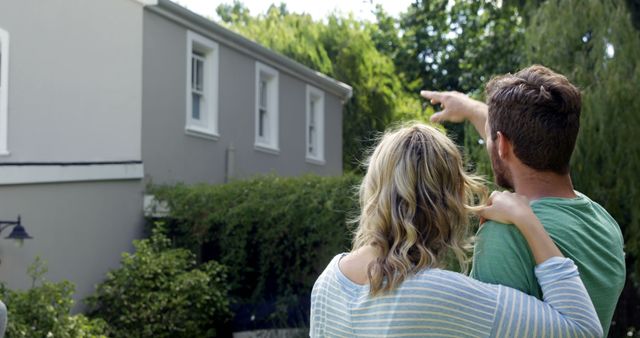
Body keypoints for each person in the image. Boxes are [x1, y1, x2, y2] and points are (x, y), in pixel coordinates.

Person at [310, 123, 602, 337]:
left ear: (373, 189)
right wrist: (526, 219)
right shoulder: (438, 293)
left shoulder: (327, 284)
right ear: (448, 199)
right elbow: (583, 329)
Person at [421, 64, 625, 336]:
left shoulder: (504, 235)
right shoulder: (603, 222)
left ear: (502, 144)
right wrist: (470, 108)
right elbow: (517, 140)